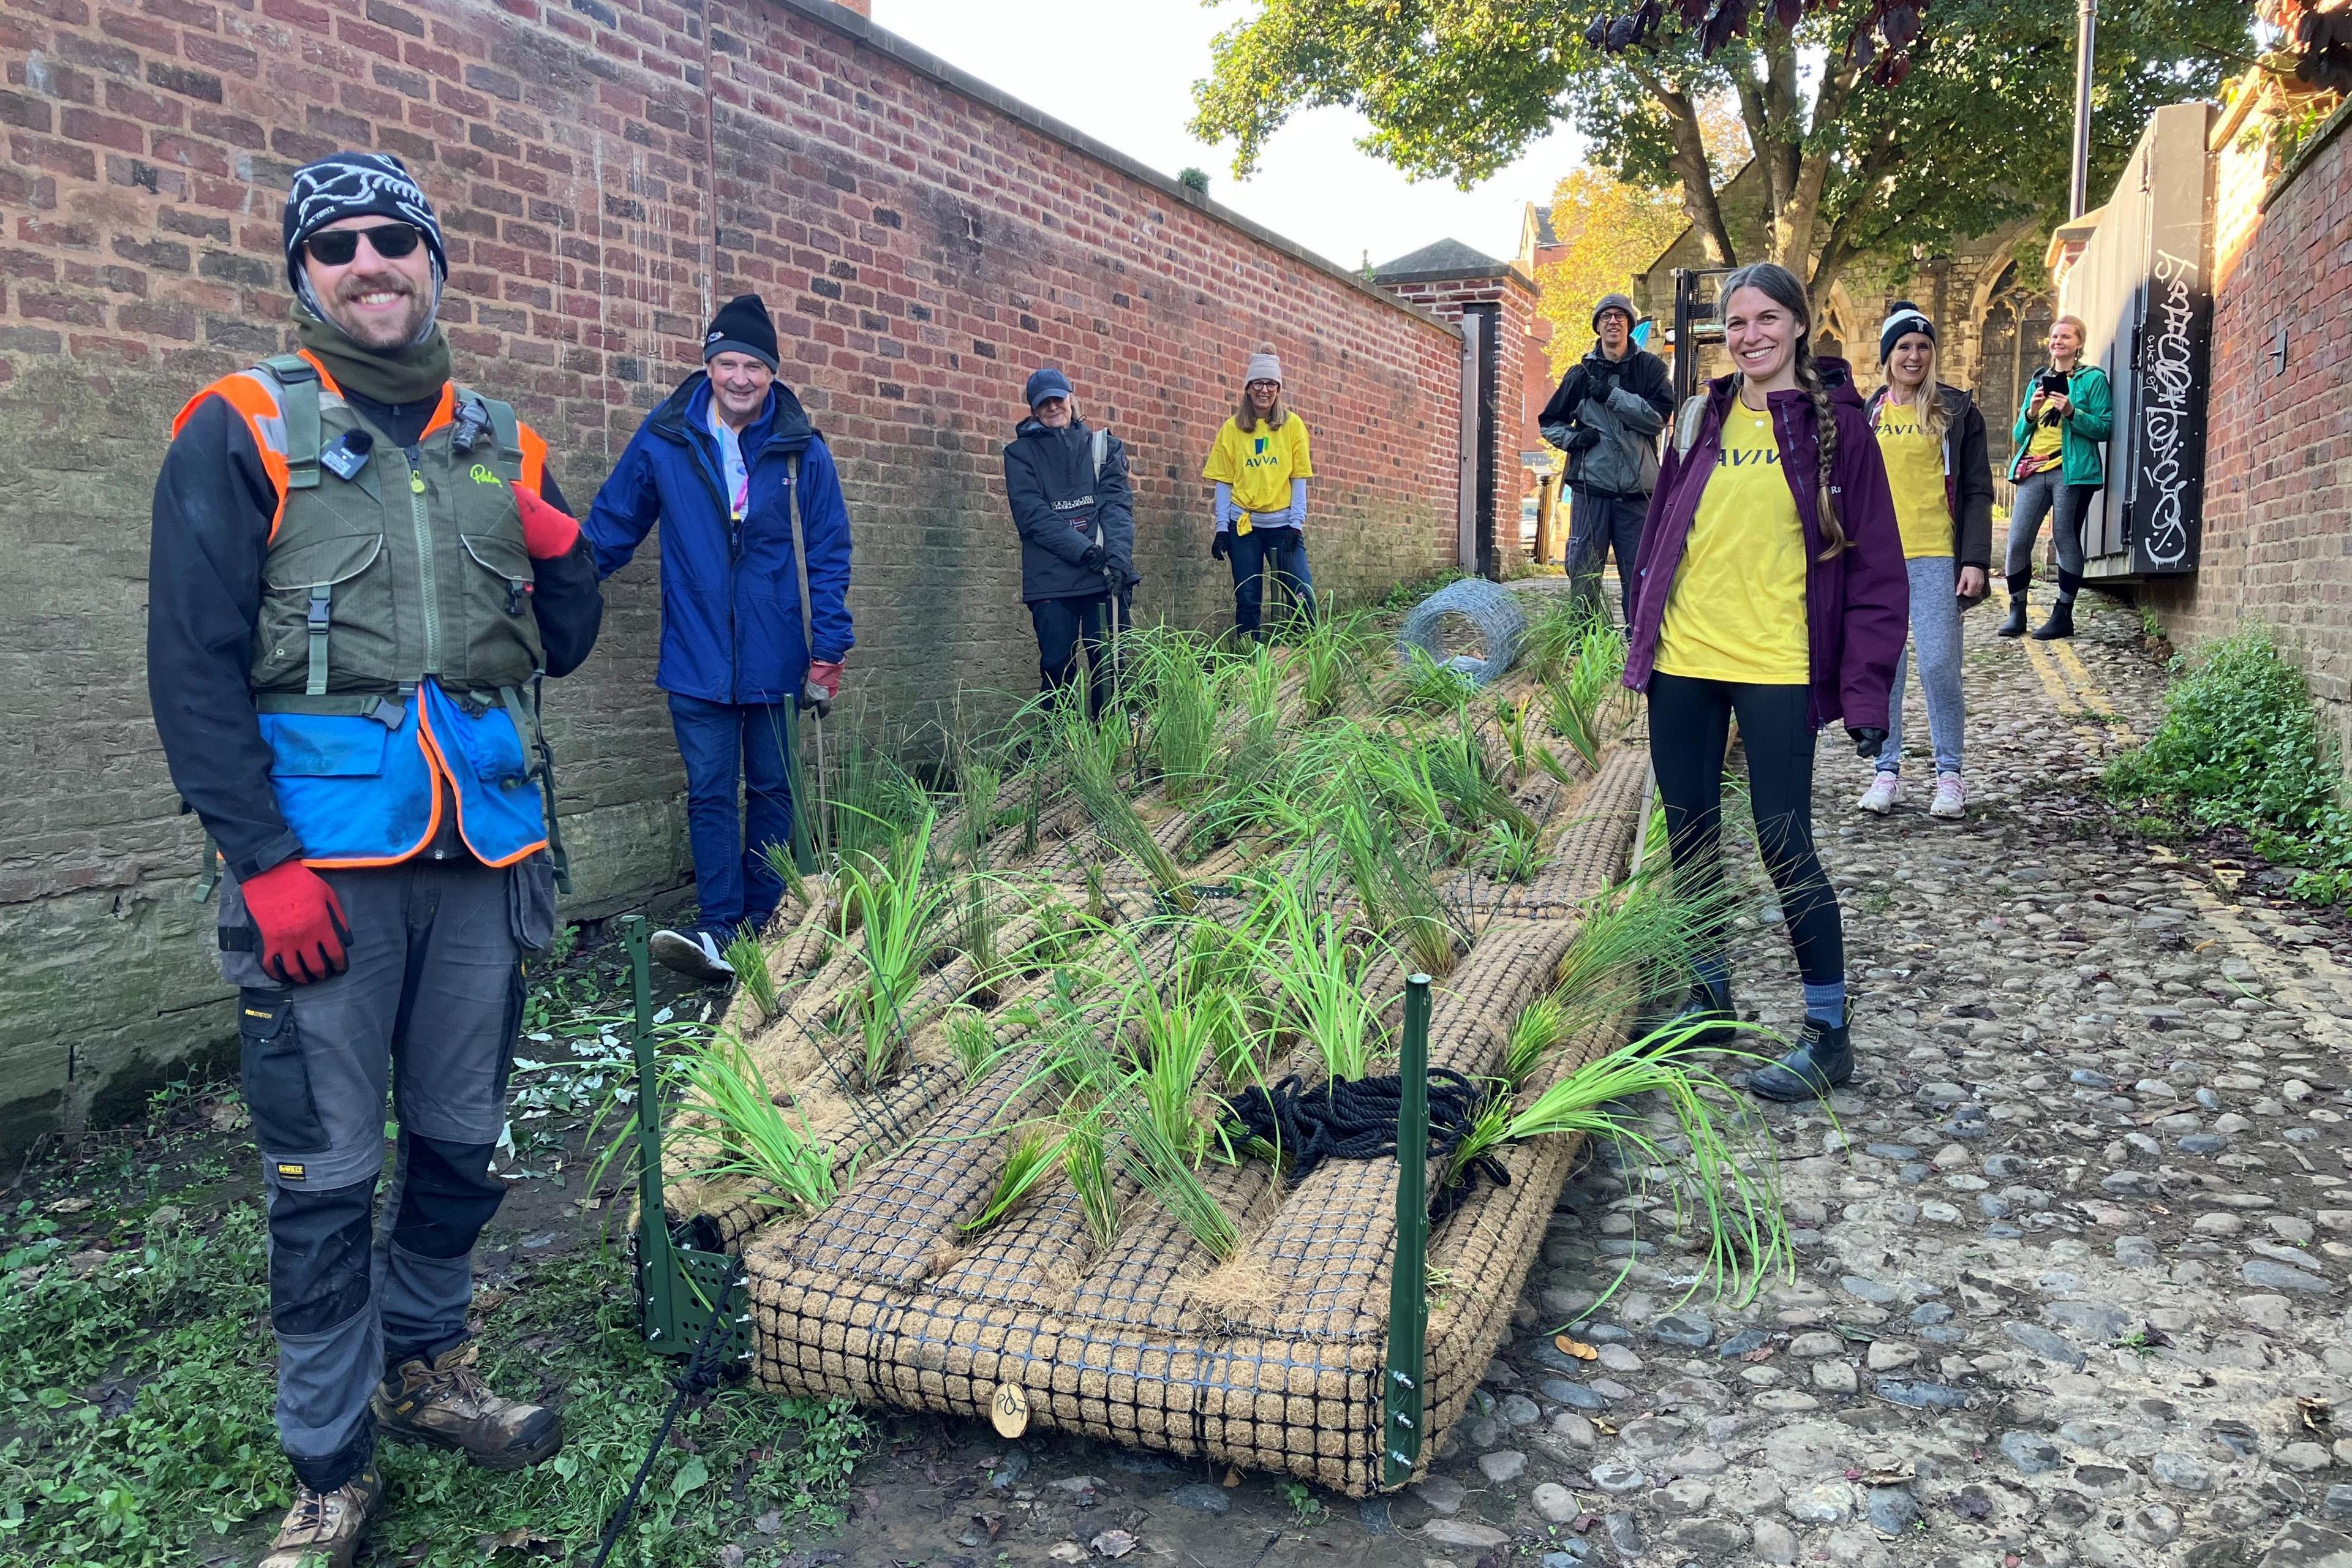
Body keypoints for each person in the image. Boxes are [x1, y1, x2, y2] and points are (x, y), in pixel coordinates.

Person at [147, 152, 603, 1568]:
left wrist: (557, 538)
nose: (367, 263)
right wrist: (263, 863)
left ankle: (427, 1370)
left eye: (391, 239)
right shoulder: (238, 427)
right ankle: (329, 1462)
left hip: (484, 853)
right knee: (325, 1173)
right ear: (303, 277)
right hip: (320, 876)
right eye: (334, 245)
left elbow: (569, 632)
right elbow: (192, 669)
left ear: (432, 261)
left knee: (461, 1143)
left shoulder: (501, 437)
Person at [1623, 262, 1907, 1102]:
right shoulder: (1699, 415)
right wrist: (1642, 633)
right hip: (1684, 659)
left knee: (1786, 843)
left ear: (1799, 323)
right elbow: (1663, 534)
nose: (1750, 336)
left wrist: (1866, 692)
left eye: (1766, 319)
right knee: (1690, 834)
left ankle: (1828, 1032)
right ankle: (1709, 994)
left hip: (1776, 664)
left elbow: (1879, 570)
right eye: (1736, 322)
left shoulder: (1839, 428)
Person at [585, 295, 854, 984]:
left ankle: (768, 924)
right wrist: (558, 579)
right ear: (708, 365)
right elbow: (614, 525)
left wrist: (829, 649)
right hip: (695, 655)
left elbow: (827, 550)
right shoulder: (665, 439)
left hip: (775, 653)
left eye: (754, 366)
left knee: (770, 789)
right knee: (708, 792)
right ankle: (719, 932)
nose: (740, 377)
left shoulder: (802, 449)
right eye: (727, 362)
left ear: (772, 372)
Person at [1856, 303, 1995, 820]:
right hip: (1877, 560)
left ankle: (1950, 775)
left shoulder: (1956, 411)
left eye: (1922, 347)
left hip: (1936, 554)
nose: (1913, 356)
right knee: (1886, 668)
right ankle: (1886, 773)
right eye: (1903, 347)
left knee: (1939, 666)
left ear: (1932, 354)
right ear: (1888, 357)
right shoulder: (1869, 413)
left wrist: (1975, 559)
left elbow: (1978, 490)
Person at [1003, 367, 1137, 715]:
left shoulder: (1104, 446)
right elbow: (1032, 515)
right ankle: (1059, 754)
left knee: (1111, 668)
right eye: (1043, 403)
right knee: (1056, 669)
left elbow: (1117, 508)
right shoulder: (1019, 455)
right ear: (1034, 410)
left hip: (1102, 577)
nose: (1052, 407)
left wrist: (1118, 559)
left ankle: (1110, 747)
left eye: (1057, 399)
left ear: (1071, 398)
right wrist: (1084, 549)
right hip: (1051, 581)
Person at [1539, 290, 1676, 626]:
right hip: (1591, 489)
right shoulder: (1578, 375)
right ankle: (1584, 648)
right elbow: (1549, 423)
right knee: (1584, 574)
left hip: (1637, 492)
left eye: (1620, 316)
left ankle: (1639, 646)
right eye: (1606, 317)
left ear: (1629, 325)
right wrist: (1573, 439)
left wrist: (1611, 395)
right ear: (1597, 326)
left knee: (1639, 574)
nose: (1613, 322)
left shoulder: (1650, 369)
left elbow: (1657, 419)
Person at [1999, 314, 2111, 641]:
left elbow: (2105, 427)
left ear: (2079, 344)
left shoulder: (2093, 380)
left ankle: (2063, 615)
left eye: (2065, 337)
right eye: (2054, 337)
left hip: (2072, 470)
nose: (2058, 342)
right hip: (2034, 468)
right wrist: (2032, 412)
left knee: (2064, 537)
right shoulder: (2038, 382)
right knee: (2018, 541)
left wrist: (2071, 412)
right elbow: (2020, 434)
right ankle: (2017, 611)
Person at [1203, 346, 1314, 639]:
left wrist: (1296, 524)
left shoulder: (1292, 426)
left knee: (1302, 591)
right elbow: (1224, 482)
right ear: (1248, 388)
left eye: (1271, 384)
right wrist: (1221, 529)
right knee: (1248, 597)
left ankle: (1307, 652)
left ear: (1278, 389)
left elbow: (1299, 477)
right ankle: (1250, 661)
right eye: (1258, 383)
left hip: (1283, 526)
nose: (1264, 390)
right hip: (1245, 526)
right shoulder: (1231, 430)